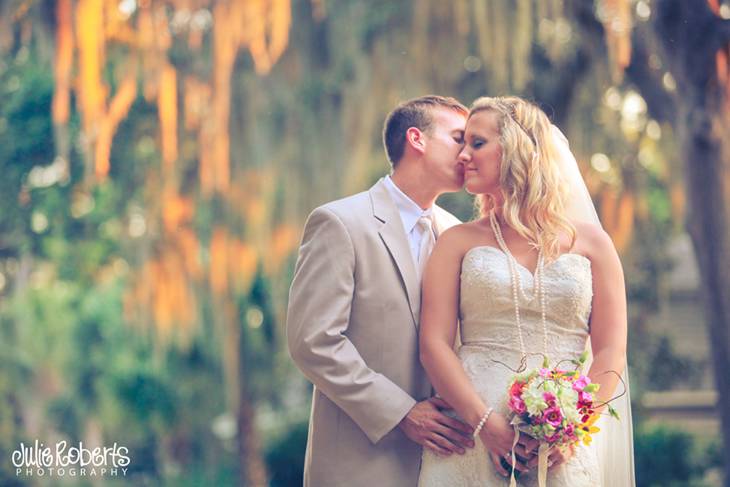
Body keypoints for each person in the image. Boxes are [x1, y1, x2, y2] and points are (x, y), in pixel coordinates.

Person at [417, 96, 634, 486]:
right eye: (462, 143)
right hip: (473, 433)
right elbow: (434, 344)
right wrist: (486, 424)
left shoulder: (593, 244)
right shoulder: (456, 242)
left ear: (518, 148)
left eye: (477, 143)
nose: (463, 155)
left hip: (562, 444)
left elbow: (610, 350)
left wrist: (574, 431)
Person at [287, 95, 476, 487]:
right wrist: (403, 413)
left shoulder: (458, 233)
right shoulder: (339, 223)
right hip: (359, 462)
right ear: (417, 139)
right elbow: (313, 342)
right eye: (459, 138)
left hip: (445, 463)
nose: (468, 154)